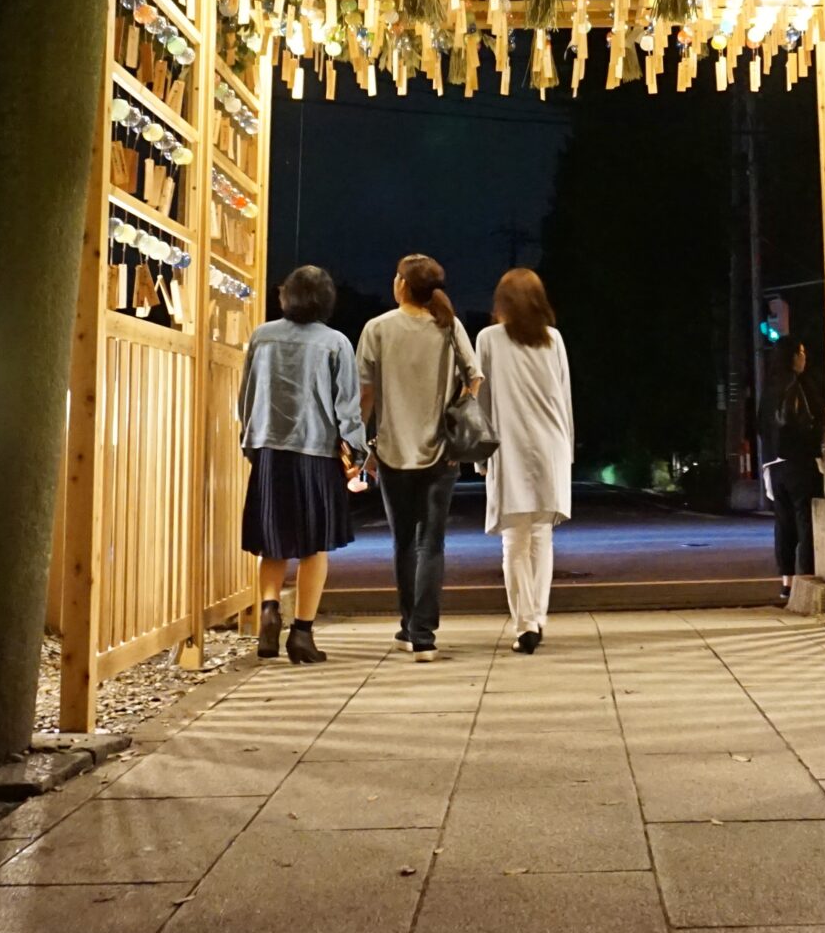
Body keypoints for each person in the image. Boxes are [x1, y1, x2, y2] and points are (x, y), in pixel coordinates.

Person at [235, 264, 367, 665]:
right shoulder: (336, 343)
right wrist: (357, 453)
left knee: (271, 540)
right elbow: (348, 406)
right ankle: (303, 634)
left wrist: (249, 441)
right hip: (316, 452)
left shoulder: (262, 336)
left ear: (286, 295)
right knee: (314, 546)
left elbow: (247, 395)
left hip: (270, 450)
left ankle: (271, 609)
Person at [357, 253, 481, 661]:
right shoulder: (449, 326)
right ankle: (423, 634)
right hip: (443, 453)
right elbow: (474, 376)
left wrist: (363, 445)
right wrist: (455, 422)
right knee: (432, 543)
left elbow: (366, 395)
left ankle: (408, 627)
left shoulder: (377, 329)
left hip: (393, 451)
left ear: (402, 285)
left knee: (403, 544)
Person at [476, 268, 573, 654]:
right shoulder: (554, 339)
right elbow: (564, 396)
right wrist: (568, 446)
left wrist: (480, 456)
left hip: (508, 446)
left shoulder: (488, 339)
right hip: (551, 445)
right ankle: (538, 618)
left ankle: (525, 625)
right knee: (541, 538)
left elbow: (479, 399)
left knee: (513, 541)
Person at [758, 339, 825, 604]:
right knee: (805, 521)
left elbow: (764, 426)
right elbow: (802, 422)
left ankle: (785, 584)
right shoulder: (796, 385)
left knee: (783, 525)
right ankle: (805, 580)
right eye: (802, 352)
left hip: (773, 467)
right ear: (793, 356)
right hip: (797, 462)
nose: (804, 358)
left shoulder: (769, 388)